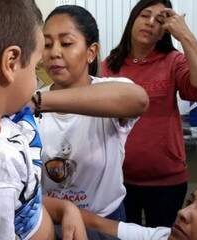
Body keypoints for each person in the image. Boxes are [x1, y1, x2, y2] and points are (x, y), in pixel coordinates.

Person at [0, 0, 130, 239]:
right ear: (11, 62)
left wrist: (64, 208)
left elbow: (24, 196)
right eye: (39, 59)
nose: (53, 55)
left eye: (66, 43)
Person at [101, 0, 197, 227]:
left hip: (166, 181)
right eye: (145, 15)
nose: (150, 23)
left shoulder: (173, 61)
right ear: (132, 20)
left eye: (159, 20)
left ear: (164, 32)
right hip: (117, 181)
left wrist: (185, 35)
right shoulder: (110, 65)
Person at [36, 5, 148, 221]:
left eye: (66, 43)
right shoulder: (32, 102)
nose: (54, 52)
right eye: (47, 44)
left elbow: (139, 100)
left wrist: (38, 102)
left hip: (105, 218)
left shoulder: (111, 91)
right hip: (51, 220)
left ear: (91, 52)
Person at [81, 180, 197, 240]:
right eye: (190, 202)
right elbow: (97, 224)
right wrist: (66, 210)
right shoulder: (163, 236)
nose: (183, 213)